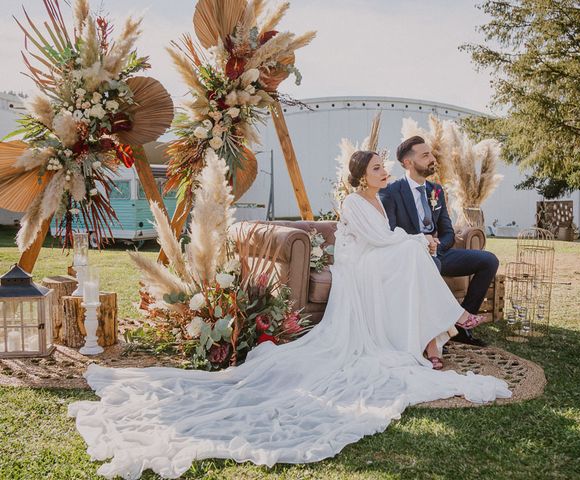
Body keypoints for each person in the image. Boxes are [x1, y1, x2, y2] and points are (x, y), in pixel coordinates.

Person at [69, 151, 510, 480]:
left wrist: (418, 242)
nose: (383, 171)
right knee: (411, 257)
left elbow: (390, 233)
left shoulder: (379, 199)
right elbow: (378, 241)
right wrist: (418, 244)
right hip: (361, 265)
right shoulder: (357, 201)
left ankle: (434, 334)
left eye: (382, 167)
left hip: (378, 257)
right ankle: (444, 326)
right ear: (361, 176)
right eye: (377, 168)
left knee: (413, 257)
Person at [379, 136, 500, 346]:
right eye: (425, 155)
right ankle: (431, 338)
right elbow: (390, 232)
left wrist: (438, 245)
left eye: (431, 154)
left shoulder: (435, 190)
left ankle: (462, 329)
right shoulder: (391, 192)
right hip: (411, 258)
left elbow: (448, 232)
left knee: (489, 261)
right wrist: (420, 244)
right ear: (408, 162)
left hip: (440, 252)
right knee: (431, 264)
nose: (432, 158)